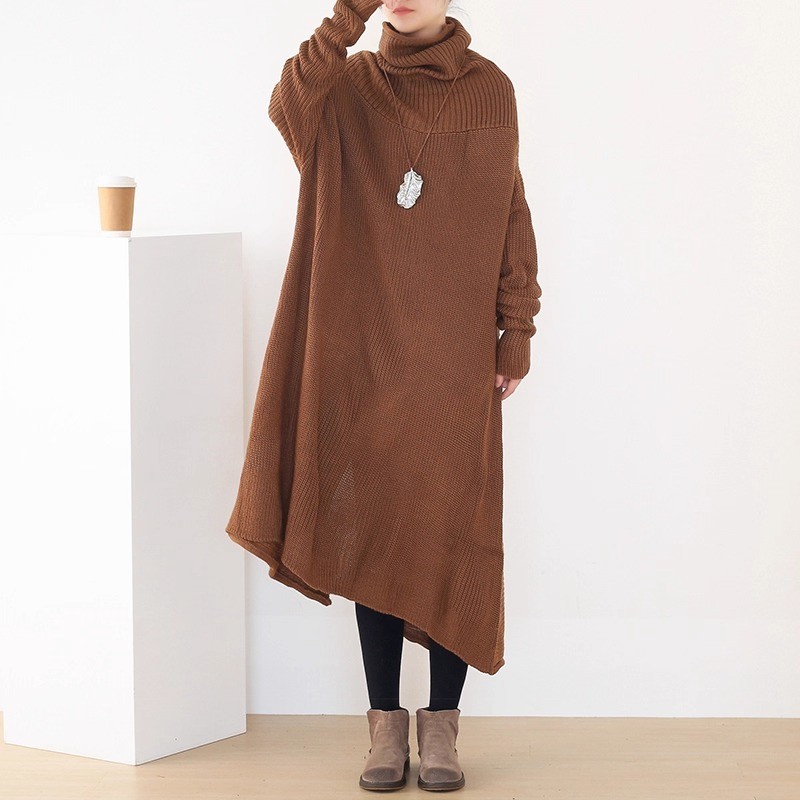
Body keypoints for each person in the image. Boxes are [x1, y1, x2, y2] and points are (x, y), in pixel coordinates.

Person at [226, 0, 542, 791]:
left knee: (451, 528)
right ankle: (384, 728)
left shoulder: (492, 90)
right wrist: (345, 19)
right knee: (370, 525)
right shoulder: (347, 85)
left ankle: (442, 728)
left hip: (453, 356)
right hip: (361, 350)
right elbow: (286, 106)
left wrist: (518, 328)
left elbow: (511, 211)